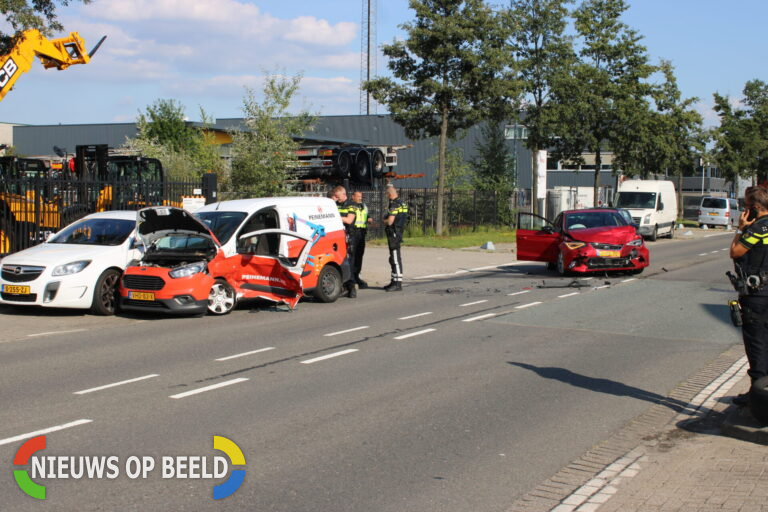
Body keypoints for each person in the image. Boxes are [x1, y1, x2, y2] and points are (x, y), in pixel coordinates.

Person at [729, 186, 768, 406]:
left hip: (757, 295)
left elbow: (735, 253)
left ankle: (758, 395)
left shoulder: (757, 230)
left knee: (756, 342)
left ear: (753, 209)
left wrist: (740, 229)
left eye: (746, 206)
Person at [330, 185, 357, 298]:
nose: (337, 198)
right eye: (335, 196)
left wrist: (335, 216)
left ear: (344, 194)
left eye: (338, 196)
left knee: (349, 263)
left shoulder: (351, 205)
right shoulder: (336, 204)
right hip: (338, 237)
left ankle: (351, 287)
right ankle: (344, 286)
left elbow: (349, 220)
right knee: (340, 261)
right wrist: (332, 201)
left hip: (349, 237)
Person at [383, 185, 409, 292]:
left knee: (395, 258)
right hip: (399, 231)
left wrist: (383, 221)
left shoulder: (394, 204)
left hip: (393, 233)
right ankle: (394, 281)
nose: (387, 197)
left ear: (390, 194)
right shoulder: (403, 203)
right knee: (394, 258)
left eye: (387, 195)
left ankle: (397, 284)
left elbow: (390, 221)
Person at [350, 190, 372, 289]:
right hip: (353, 233)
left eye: (361, 196)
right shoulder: (350, 206)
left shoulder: (364, 206)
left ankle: (357, 275)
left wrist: (369, 219)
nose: (360, 198)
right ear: (353, 196)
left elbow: (367, 215)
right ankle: (351, 278)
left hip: (362, 233)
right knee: (352, 256)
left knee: (359, 255)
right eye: (358, 196)